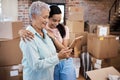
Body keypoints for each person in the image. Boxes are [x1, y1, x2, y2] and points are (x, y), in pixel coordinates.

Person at [19, 5, 76, 80]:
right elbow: (36, 65)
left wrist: (60, 55)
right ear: (34, 16)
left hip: (51, 70)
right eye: (45, 17)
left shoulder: (44, 32)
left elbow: (50, 53)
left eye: (59, 21)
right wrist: (21, 31)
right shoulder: (29, 37)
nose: (46, 21)